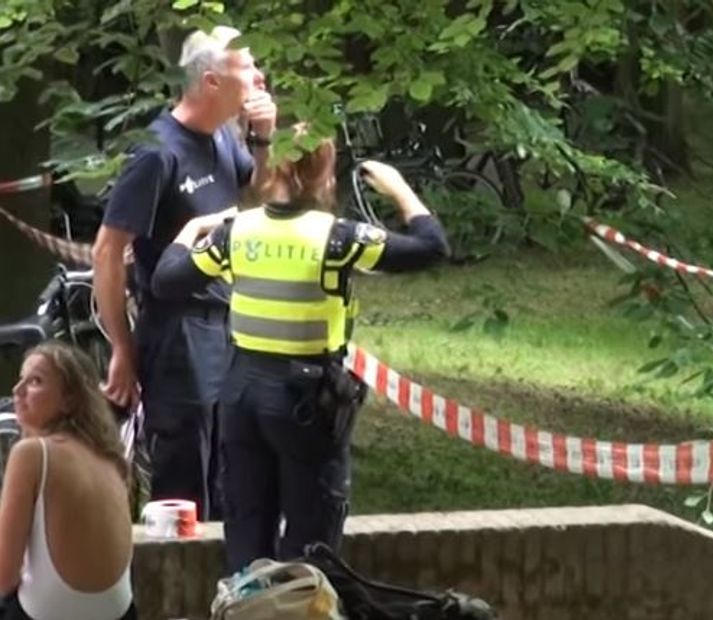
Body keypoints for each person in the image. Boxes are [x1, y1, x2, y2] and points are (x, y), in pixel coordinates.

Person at [150, 127, 450, 572]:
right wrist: (397, 185)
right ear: (324, 172)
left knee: (247, 533)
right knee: (312, 542)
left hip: (240, 395)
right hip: (305, 400)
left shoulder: (236, 232)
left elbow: (166, 280)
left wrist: (193, 228)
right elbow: (432, 247)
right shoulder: (338, 237)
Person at [91, 25, 277, 521]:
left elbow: (255, 198)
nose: (260, 77)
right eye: (247, 68)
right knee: (184, 485)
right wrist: (122, 350)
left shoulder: (221, 136)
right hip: (176, 334)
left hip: (227, 321)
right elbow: (107, 252)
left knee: (228, 470)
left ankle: (225, 593)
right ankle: (175, 590)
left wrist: (261, 141)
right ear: (212, 81)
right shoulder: (157, 152)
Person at [1, 342, 135, 619]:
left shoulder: (33, 453)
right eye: (20, 379)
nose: (18, 390)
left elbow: (4, 574)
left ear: (69, 400)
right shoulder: (110, 458)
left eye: (35, 381)